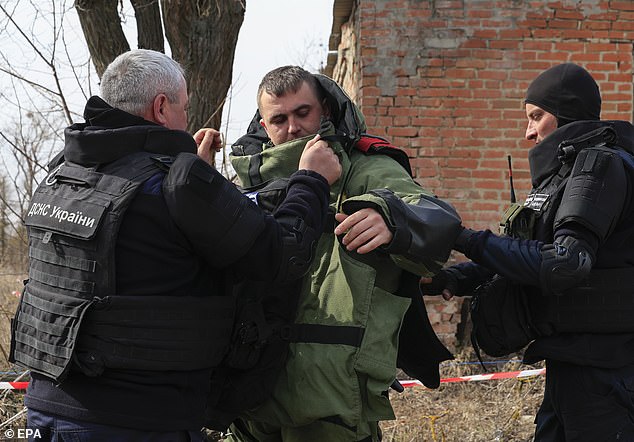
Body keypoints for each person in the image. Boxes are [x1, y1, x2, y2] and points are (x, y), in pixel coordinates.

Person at [9, 49, 342, 441]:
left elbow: (140, 250)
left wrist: (198, 180)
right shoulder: (176, 186)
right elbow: (280, 254)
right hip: (140, 422)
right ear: (162, 107)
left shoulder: (63, 173)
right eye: (184, 106)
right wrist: (310, 181)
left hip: (45, 410)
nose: (187, 118)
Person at [223, 66, 462, 442]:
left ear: (326, 112)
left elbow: (436, 219)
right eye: (279, 119)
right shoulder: (246, 183)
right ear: (263, 126)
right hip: (251, 396)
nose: (293, 128)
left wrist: (391, 219)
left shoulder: (365, 168)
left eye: (304, 113)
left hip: (330, 398)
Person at [423, 63, 634, 441]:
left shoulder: (599, 165)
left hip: (605, 373)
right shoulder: (569, 174)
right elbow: (533, 254)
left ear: (566, 112)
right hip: (570, 365)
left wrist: (463, 237)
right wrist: (453, 277)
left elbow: (566, 263)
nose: (529, 132)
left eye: (537, 116)